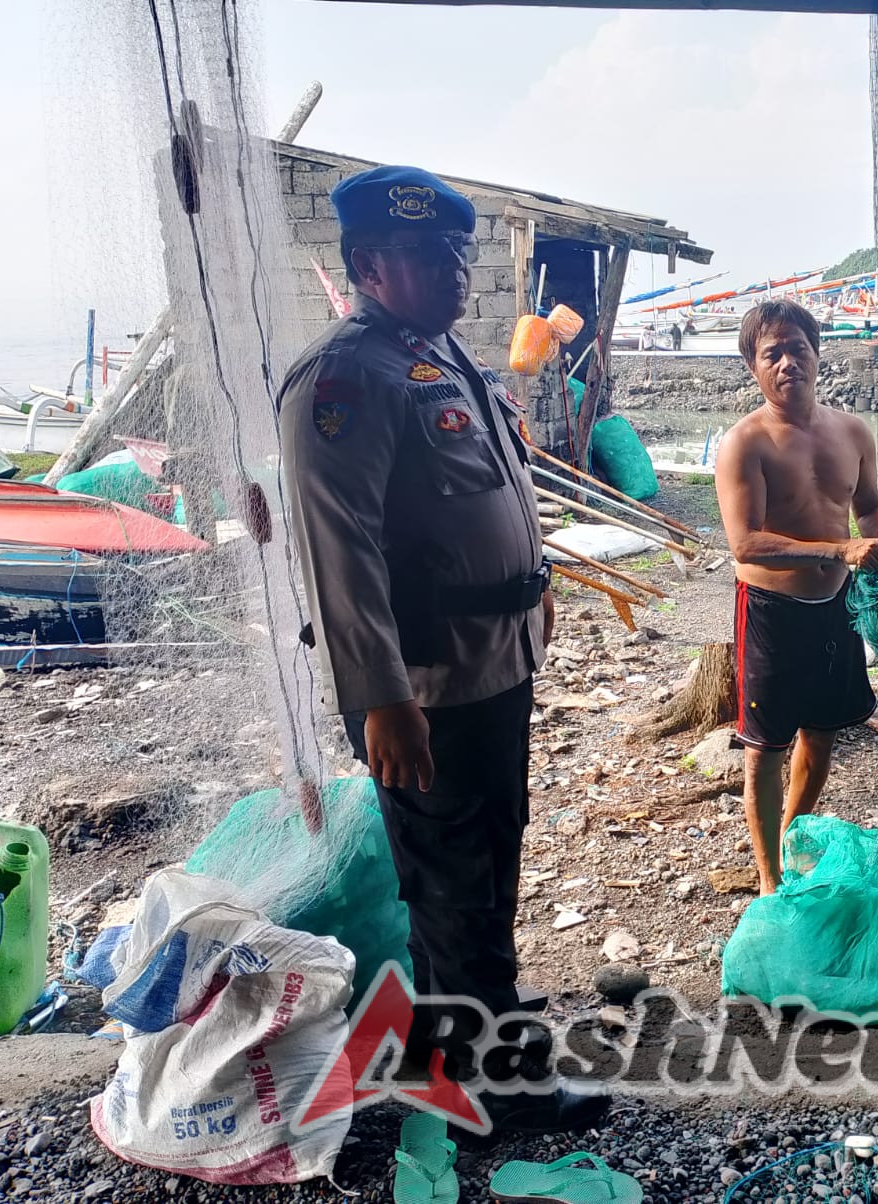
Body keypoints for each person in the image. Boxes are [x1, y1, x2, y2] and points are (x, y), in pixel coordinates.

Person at [277, 165, 606, 1132]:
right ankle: (503, 1088)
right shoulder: (346, 378)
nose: (455, 270)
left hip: (490, 661)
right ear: (368, 265)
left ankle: (447, 1050)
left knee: (483, 865)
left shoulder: (442, 356)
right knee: (459, 879)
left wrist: (532, 594)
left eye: (458, 252)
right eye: (426, 253)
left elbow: (489, 494)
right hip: (425, 683)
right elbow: (339, 550)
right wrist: (380, 695)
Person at [714, 299, 878, 895]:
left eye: (798, 349)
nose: (788, 362)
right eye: (773, 354)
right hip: (770, 612)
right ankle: (768, 880)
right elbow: (745, 543)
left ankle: (791, 843)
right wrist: (839, 550)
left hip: (836, 608)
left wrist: (875, 548)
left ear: (817, 354)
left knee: (821, 731)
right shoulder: (745, 443)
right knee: (764, 750)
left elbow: (868, 505)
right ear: (753, 367)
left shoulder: (853, 431)